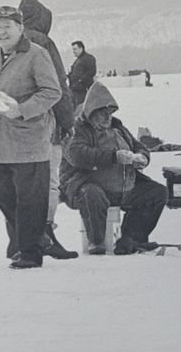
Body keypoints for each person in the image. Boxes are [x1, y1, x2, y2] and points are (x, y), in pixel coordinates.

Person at [0, 5, 62, 270]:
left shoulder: (37, 55)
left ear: (20, 28)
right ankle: (28, 240)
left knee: (30, 200)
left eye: (7, 27)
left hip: (27, 141)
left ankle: (30, 252)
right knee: (3, 195)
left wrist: (21, 110)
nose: (1, 32)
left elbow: (52, 92)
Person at [60, 81, 166, 255]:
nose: (107, 118)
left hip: (125, 188)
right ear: (91, 112)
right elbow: (77, 154)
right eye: (102, 113)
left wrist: (142, 157)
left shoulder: (118, 127)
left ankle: (132, 239)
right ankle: (97, 241)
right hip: (88, 185)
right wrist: (113, 157)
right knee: (91, 194)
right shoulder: (77, 129)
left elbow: (138, 145)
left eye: (109, 113)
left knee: (156, 192)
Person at [20, 0, 78, 261]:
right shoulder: (44, 42)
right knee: (49, 182)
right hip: (45, 123)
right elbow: (58, 86)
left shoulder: (4, 41)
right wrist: (68, 122)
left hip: (14, 124)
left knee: (21, 183)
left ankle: (21, 241)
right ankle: (46, 234)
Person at [68, 40, 98, 106]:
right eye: (73, 49)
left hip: (83, 90)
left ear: (81, 48)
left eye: (75, 49)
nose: (73, 51)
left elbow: (92, 71)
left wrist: (80, 80)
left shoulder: (89, 58)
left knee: (80, 108)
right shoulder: (78, 60)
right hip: (74, 89)